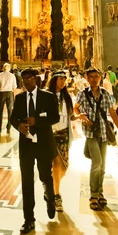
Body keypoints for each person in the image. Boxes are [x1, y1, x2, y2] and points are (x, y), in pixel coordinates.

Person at [10, 68, 60, 235]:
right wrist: (19, 125)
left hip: (43, 143)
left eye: (29, 78)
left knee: (45, 175)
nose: (26, 81)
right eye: (23, 79)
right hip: (26, 145)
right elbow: (13, 118)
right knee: (26, 181)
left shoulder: (48, 96)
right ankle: (28, 219)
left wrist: (37, 121)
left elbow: (55, 117)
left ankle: (49, 197)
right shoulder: (19, 98)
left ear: (36, 79)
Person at [74, 68, 118, 210]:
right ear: (87, 78)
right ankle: (93, 194)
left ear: (100, 78)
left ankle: (100, 193)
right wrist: (81, 115)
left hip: (103, 131)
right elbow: (76, 108)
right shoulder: (83, 94)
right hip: (90, 133)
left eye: (97, 77)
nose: (94, 79)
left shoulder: (105, 94)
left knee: (102, 165)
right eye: (91, 77)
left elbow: (112, 111)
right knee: (97, 162)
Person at [47, 70, 74, 212]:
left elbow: (70, 115)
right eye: (61, 79)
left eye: (65, 79)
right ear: (54, 80)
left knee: (64, 166)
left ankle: (51, 187)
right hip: (51, 135)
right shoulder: (47, 95)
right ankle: (56, 195)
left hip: (64, 134)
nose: (63, 82)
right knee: (56, 165)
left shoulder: (67, 96)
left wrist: (78, 117)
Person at [0, 62, 17, 135]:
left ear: (3, 68)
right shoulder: (12, 75)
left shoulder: (0, 75)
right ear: (9, 68)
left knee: (0, 110)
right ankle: (9, 127)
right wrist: (14, 96)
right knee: (10, 110)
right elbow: (14, 87)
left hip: (2, 93)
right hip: (9, 93)